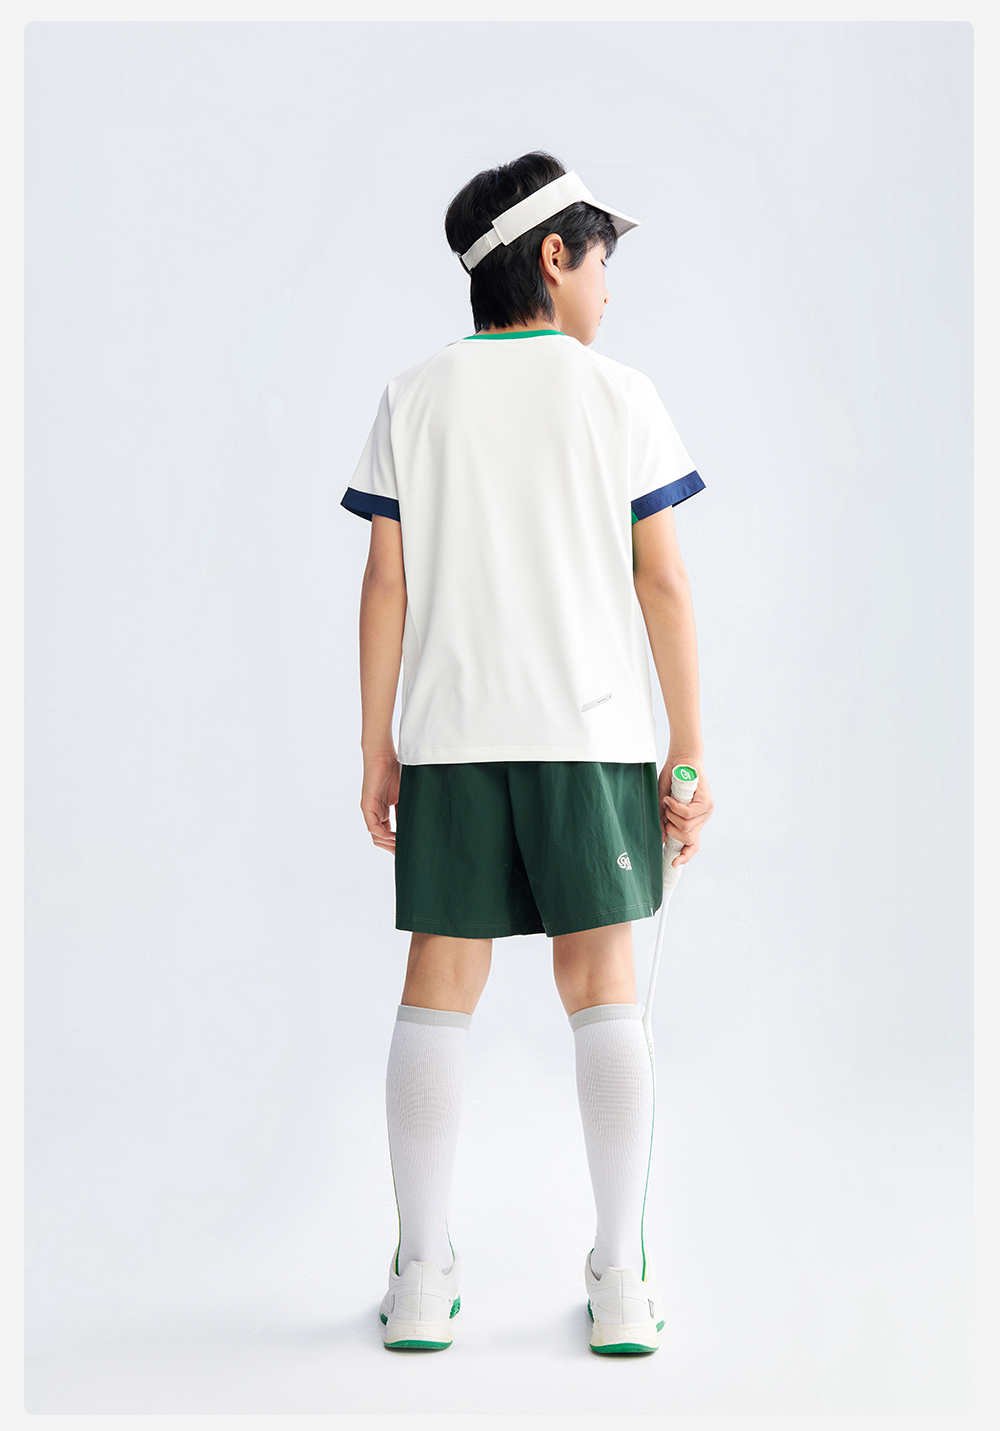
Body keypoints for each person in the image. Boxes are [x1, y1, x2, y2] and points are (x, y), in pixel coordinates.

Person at [341, 151, 714, 1355]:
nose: (610, 287)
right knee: (603, 984)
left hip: (449, 740)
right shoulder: (620, 395)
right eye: (602, 261)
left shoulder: (411, 396)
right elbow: (663, 582)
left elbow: (384, 583)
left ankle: (420, 1277)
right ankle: (620, 1280)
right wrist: (688, 752)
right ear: (552, 257)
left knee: (436, 987)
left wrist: (377, 746)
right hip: (591, 739)